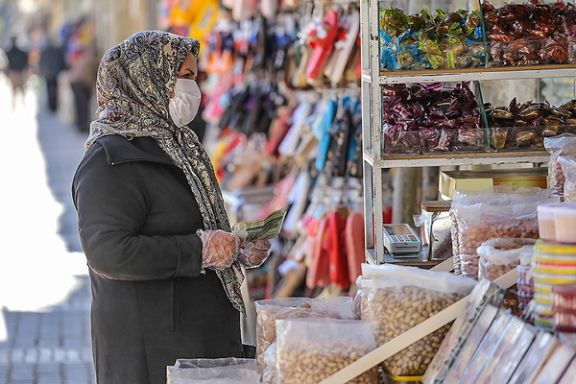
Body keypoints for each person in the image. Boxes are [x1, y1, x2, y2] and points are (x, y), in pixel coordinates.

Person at [72, 31, 271, 384]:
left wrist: (233, 248)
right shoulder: (108, 160)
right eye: (186, 76)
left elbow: (188, 222)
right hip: (151, 353)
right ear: (147, 77)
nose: (194, 88)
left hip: (197, 342)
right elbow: (108, 252)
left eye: (196, 77)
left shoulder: (179, 145)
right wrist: (200, 251)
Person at [68, 45, 99, 132]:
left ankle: (80, 125)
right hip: (82, 84)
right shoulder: (94, 60)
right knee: (83, 106)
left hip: (75, 82)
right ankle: (83, 127)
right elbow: (97, 75)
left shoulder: (84, 58)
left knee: (79, 105)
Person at [39, 39, 67, 112]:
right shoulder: (57, 51)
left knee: (49, 90)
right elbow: (61, 61)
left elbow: (41, 63)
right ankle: (55, 106)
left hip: (48, 74)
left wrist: (42, 72)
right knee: (55, 89)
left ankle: (51, 106)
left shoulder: (44, 52)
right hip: (55, 73)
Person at [4, 36, 28, 107]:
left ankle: (14, 106)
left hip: (12, 74)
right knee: (22, 90)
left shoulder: (9, 52)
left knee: (14, 91)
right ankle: (23, 105)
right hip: (19, 73)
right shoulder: (21, 52)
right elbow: (25, 62)